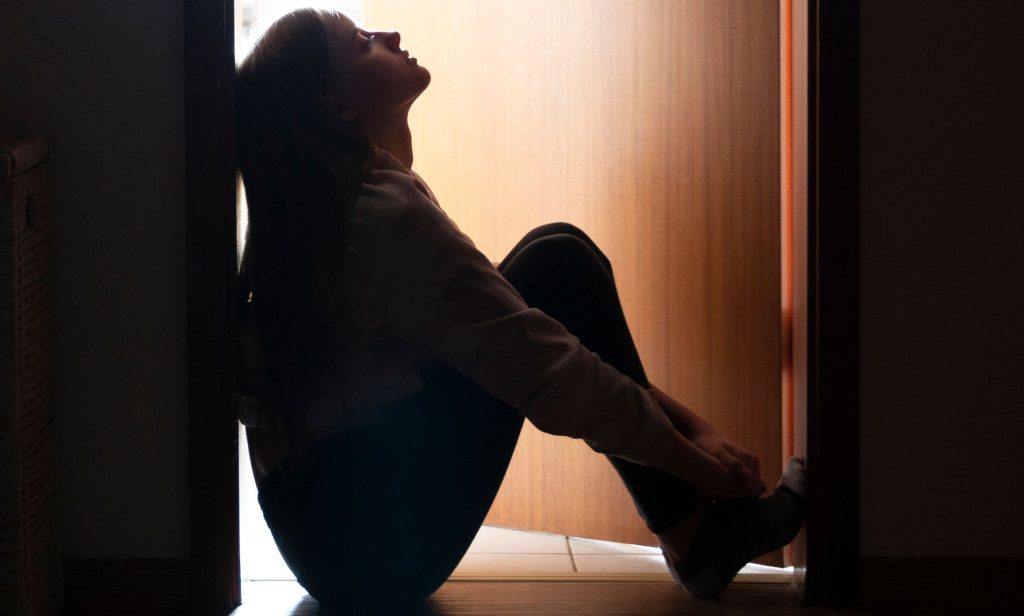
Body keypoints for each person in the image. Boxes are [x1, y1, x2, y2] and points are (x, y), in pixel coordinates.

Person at [234, 7, 805, 611]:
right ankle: (698, 538)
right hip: (373, 555)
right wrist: (698, 467)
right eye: (362, 43)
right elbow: (546, 370)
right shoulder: (373, 220)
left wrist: (693, 429)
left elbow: (518, 335)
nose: (390, 36)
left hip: (330, 540)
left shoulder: (339, 208)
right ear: (339, 109)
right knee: (558, 268)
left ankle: (694, 537)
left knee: (553, 259)